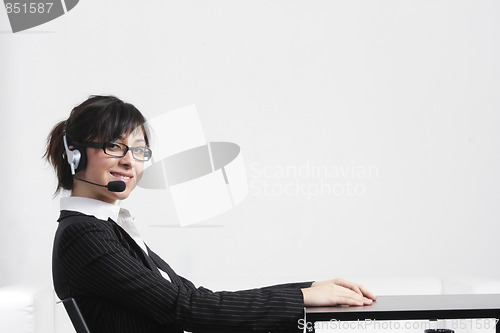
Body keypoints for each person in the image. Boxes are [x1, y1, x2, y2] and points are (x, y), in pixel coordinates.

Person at [45, 95, 376, 333]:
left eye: (139, 149)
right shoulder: (84, 235)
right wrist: (302, 297)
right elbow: (185, 310)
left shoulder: (106, 229)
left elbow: (191, 297)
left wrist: (310, 287)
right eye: (114, 146)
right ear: (74, 154)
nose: (130, 161)